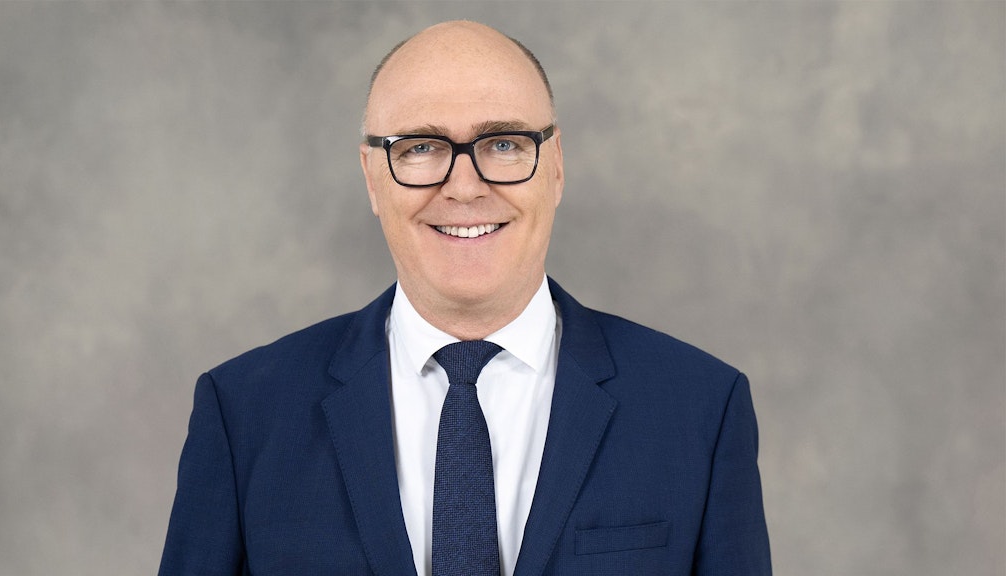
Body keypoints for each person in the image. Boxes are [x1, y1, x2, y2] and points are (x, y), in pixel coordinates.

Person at [159, 20, 771, 576]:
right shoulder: (244, 413)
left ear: (555, 166)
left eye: (503, 143)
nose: (465, 186)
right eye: (420, 148)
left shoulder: (700, 410)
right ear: (372, 177)